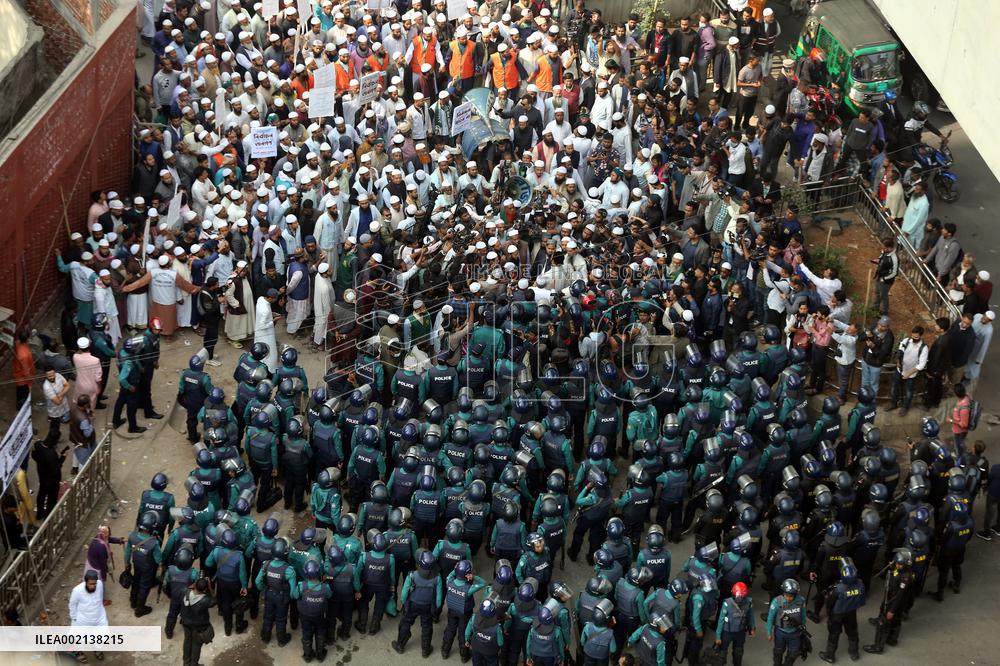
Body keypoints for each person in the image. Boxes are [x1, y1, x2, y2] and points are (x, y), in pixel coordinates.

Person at [68, 571, 109, 662]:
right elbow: (72, 605)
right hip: (83, 620)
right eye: (91, 584)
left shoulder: (100, 584)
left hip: (99, 618)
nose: (93, 586)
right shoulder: (77, 590)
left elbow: (99, 600)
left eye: (94, 584)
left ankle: (96, 649)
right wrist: (74, 618)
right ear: (86, 582)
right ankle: (77, 652)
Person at [180, 577, 216, 666]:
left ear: (194, 586)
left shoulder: (185, 592)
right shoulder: (205, 600)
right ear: (205, 590)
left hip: (186, 623)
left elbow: (189, 588)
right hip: (198, 627)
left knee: (187, 641)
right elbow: (214, 599)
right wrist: (210, 587)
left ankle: (186, 663)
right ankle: (194, 664)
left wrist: (197, 583)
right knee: (196, 645)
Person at [42, 365, 72, 443]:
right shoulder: (47, 387)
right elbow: (57, 402)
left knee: (60, 422)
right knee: (54, 428)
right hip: (55, 411)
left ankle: (55, 439)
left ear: (55, 372)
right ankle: (51, 442)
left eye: (52, 375)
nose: (51, 377)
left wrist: (59, 395)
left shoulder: (58, 376)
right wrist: (63, 393)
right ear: (45, 375)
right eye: (49, 376)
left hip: (64, 405)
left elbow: (68, 386)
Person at [254, 289, 281, 373]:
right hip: (265, 334)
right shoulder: (265, 310)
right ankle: (270, 369)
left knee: (258, 348)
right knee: (269, 351)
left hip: (258, 331)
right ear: (271, 298)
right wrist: (273, 320)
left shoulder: (260, 299)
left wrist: (271, 314)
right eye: (276, 298)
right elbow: (262, 326)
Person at [12, 327, 35, 409]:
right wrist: (29, 383)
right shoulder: (24, 355)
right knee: (23, 394)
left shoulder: (18, 343)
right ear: (28, 339)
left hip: (19, 375)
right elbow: (26, 371)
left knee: (19, 391)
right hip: (23, 379)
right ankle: (22, 408)